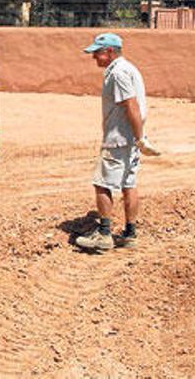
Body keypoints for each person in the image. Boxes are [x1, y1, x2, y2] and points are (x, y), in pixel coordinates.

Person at [75, 33, 160, 251]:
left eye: (97, 52)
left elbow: (130, 105)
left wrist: (140, 137)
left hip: (118, 139)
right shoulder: (129, 68)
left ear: (110, 51)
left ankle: (104, 234)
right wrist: (139, 138)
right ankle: (130, 234)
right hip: (130, 139)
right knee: (128, 184)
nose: (94, 56)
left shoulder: (119, 73)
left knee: (102, 183)